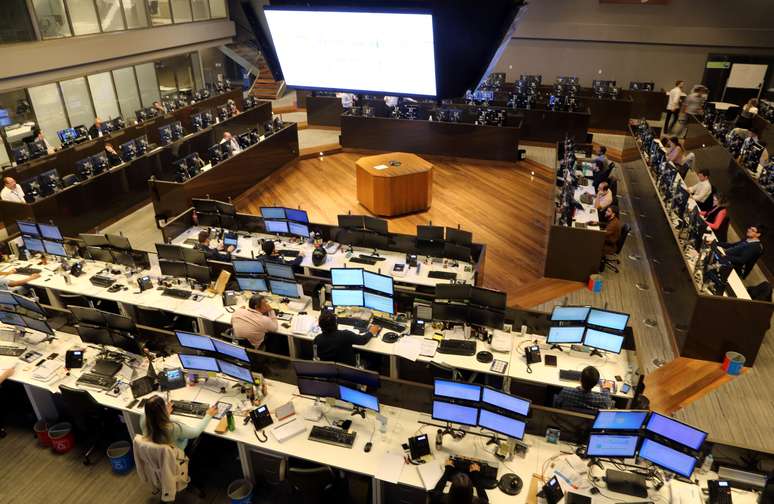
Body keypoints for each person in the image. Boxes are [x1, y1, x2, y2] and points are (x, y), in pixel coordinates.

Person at [140, 395, 217, 451]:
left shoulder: (143, 418)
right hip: (176, 455)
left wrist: (165, 414)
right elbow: (195, 433)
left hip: (154, 454)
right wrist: (208, 415)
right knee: (201, 437)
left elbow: (155, 419)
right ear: (163, 410)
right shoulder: (173, 428)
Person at [314, 311, 379, 365]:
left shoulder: (317, 339)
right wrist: (371, 332)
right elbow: (363, 340)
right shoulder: (345, 335)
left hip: (330, 370)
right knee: (373, 358)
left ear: (320, 325)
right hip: (349, 369)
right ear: (336, 323)